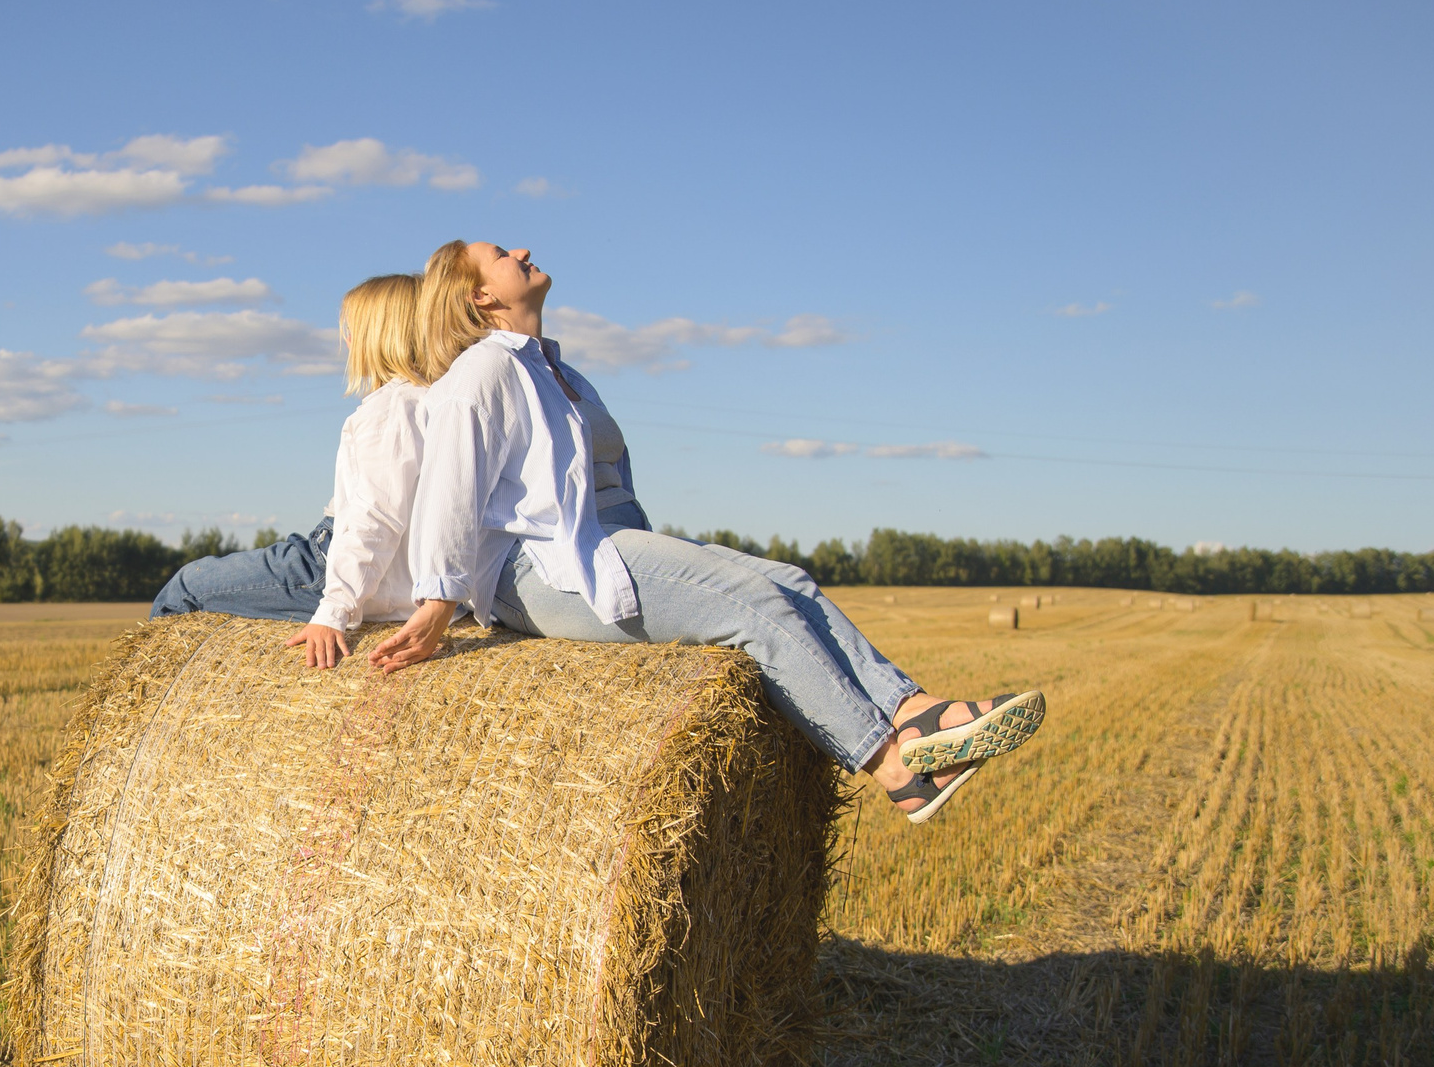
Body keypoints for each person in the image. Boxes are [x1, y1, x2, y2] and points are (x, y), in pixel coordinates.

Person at [365, 240, 1043, 822]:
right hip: (542, 569)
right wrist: (437, 602)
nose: (522, 252)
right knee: (747, 605)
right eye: (501, 255)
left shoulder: (557, 371)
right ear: (480, 297)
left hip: (602, 544)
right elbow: (448, 485)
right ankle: (896, 768)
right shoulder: (482, 369)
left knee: (788, 582)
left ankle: (913, 711)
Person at [149, 275, 431, 663]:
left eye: (351, 330)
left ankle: (169, 714)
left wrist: (334, 611)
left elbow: (372, 518)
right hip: (404, 574)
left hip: (328, 562)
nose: (347, 342)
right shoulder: (439, 403)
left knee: (186, 587)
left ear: (377, 336)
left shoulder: (389, 411)